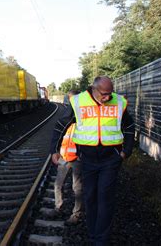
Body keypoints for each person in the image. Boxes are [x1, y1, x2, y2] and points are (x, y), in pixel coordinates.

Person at [50, 76, 135, 246]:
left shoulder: (118, 102)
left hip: (111, 159)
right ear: (94, 89)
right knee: (90, 196)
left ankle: (101, 239)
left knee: (105, 197)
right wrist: (54, 149)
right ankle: (92, 232)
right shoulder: (79, 102)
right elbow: (61, 124)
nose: (107, 97)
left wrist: (126, 151)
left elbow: (129, 126)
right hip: (87, 159)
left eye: (110, 93)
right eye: (104, 94)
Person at [51, 89, 83, 225]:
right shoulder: (65, 117)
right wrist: (55, 151)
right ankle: (58, 208)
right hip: (64, 156)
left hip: (78, 158)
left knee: (77, 188)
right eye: (69, 101)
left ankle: (76, 215)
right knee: (58, 184)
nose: (71, 104)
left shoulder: (85, 118)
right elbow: (58, 135)